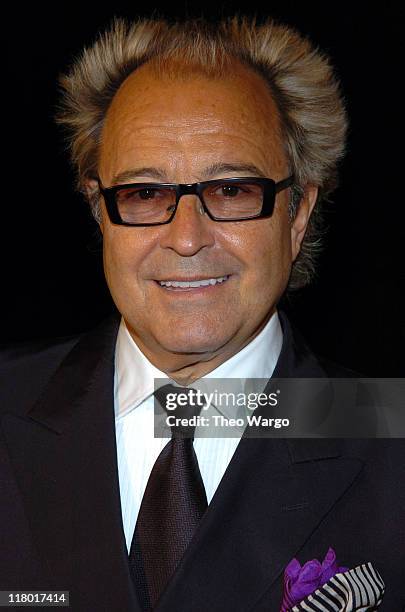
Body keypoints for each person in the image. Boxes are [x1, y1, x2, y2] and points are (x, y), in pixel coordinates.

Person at [0, 15, 403, 612]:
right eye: (144, 194)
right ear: (99, 212)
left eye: (232, 190)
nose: (186, 238)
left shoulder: (389, 441)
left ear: (297, 215)